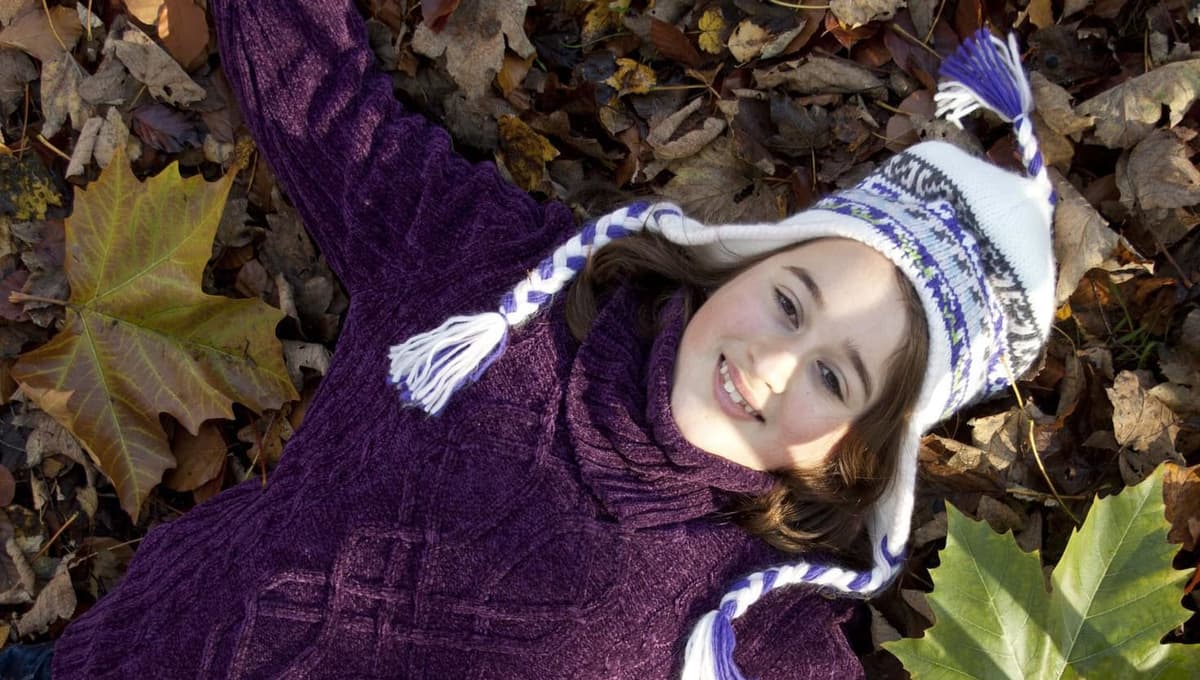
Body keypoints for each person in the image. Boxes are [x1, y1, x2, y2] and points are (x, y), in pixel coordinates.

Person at [43, 2, 1056, 679]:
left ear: (854, 454)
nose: (776, 359)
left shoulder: (752, 629)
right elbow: (326, 108)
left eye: (834, 374)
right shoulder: (495, 277)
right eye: (789, 299)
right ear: (741, 260)